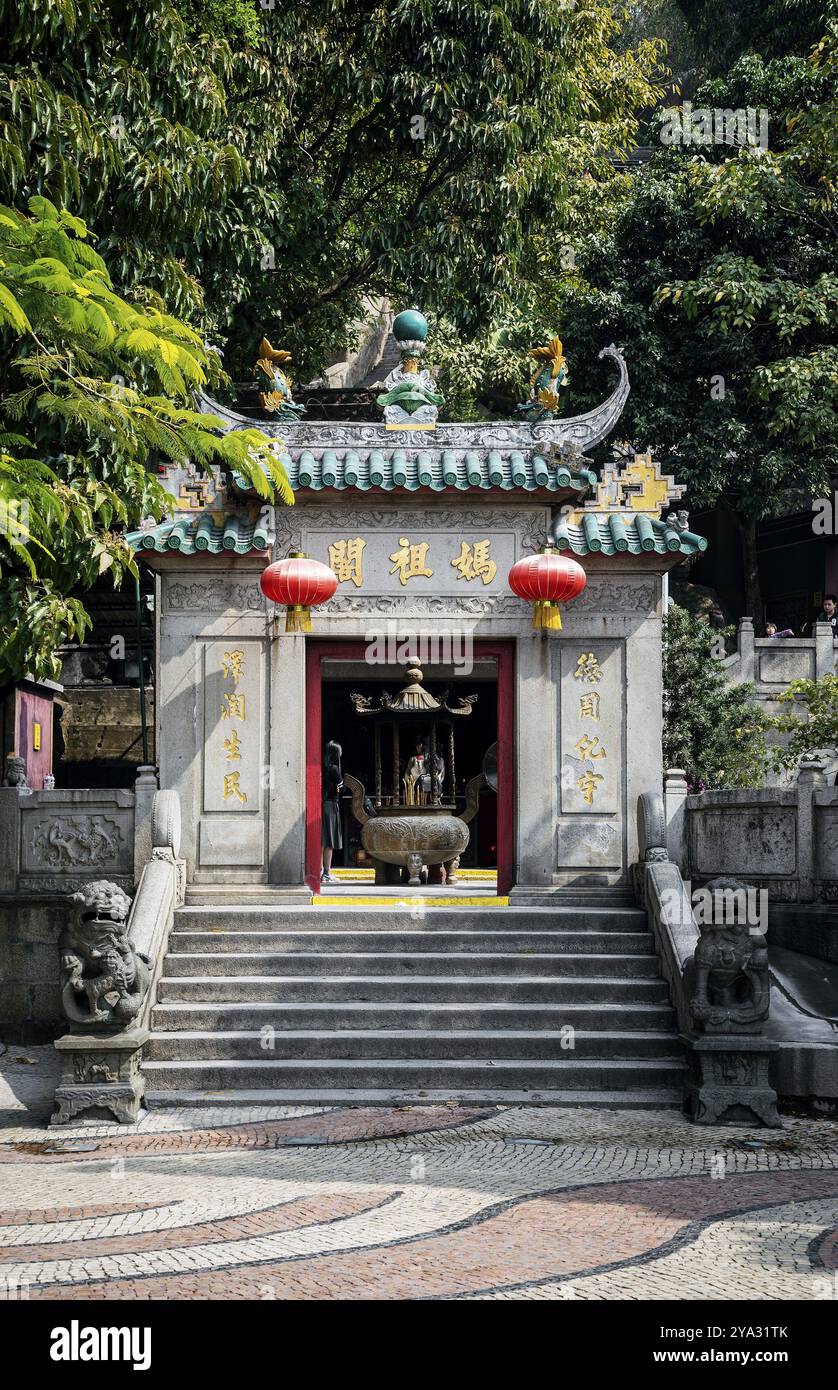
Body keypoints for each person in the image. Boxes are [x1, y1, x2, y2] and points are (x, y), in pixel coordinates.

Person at [321, 740, 343, 883]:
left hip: (321, 805)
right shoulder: (334, 769)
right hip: (330, 805)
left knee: (321, 841)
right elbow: (341, 786)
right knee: (329, 841)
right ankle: (327, 873)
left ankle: (320, 871)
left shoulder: (322, 767)